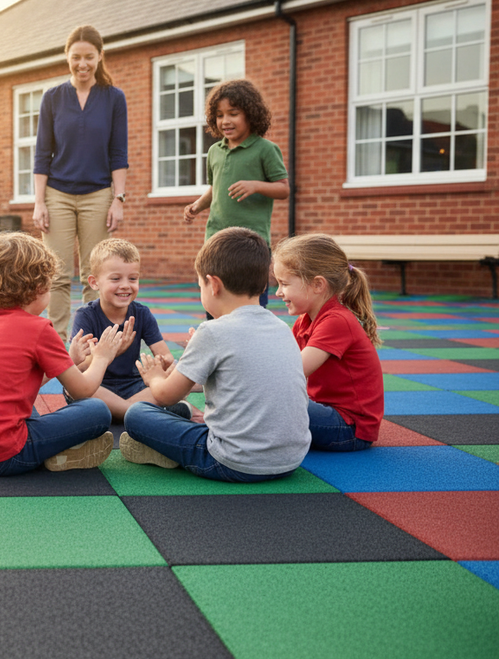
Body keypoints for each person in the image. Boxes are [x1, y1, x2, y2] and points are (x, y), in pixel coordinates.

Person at [120, 227, 310, 483]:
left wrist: (154, 377)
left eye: (201, 285)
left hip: (231, 462)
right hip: (291, 461)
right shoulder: (282, 329)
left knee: (137, 414)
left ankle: (166, 451)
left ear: (214, 285)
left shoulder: (212, 331)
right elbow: (240, 378)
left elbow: (165, 394)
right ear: (263, 284)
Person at [0, 231, 123, 475]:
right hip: (2, 456)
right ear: (38, 288)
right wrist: (101, 358)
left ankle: (54, 447)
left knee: (15, 408)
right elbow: (83, 390)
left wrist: (72, 361)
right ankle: (58, 452)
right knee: (96, 411)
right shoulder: (39, 328)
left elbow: (15, 383)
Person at [32, 25, 128, 341]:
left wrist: (118, 199)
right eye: (76, 57)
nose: (82, 64)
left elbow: (118, 152)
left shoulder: (114, 98)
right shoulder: (53, 98)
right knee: (57, 274)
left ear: (100, 57)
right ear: (67, 57)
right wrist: (40, 201)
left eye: (89, 57)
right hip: (57, 194)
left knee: (95, 274)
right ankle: (58, 343)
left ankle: (91, 341)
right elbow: (42, 152)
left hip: (98, 195)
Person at [183, 78, 289, 310]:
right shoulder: (214, 151)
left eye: (233, 113)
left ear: (250, 114)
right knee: (214, 297)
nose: (225, 121)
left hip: (251, 242)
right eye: (220, 115)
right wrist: (198, 205)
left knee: (251, 301)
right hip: (216, 239)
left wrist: (256, 185)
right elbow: (216, 187)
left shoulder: (266, 149)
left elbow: (283, 188)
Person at [273, 233, 384, 451]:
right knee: (268, 402)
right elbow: (283, 362)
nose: (278, 292)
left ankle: (208, 421)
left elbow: (293, 370)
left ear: (317, 285)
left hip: (349, 427)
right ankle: (205, 419)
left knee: (272, 404)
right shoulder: (304, 321)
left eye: (284, 284)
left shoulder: (337, 321)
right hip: (326, 413)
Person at [69, 238, 196, 422]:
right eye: (115, 278)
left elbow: (165, 356)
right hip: (98, 385)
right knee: (74, 389)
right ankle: (134, 411)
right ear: (94, 282)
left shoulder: (142, 313)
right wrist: (108, 354)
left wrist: (163, 363)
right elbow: (77, 368)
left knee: (170, 379)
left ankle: (123, 412)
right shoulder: (86, 316)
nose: (125, 285)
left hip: (133, 384)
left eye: (133, 278)